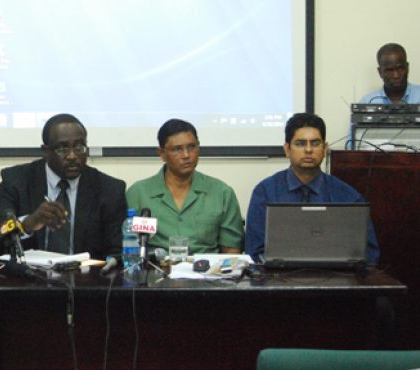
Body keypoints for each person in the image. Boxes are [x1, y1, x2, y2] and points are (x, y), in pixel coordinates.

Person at [0, 113, 127, 260]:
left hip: (86, 279)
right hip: (29, 279)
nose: (72, 156)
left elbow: (118, 249)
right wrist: (26, 224)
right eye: (62, 149)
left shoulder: (109, 189)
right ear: (45, 151)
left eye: (79, 147)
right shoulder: (17, 180)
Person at [245, 113, 380, 263]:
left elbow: (368, 253)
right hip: (278, 281)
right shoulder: (265, 193)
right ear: (287, 149)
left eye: (315, 143)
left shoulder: (348, 196)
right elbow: (255, 252)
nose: (308, 150)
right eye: (300, 143)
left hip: (336, 280)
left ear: (325, 148)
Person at [126, 119, 244, 254]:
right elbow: (128, 244)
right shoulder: (138, 193)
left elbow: (231, 250)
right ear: (161, 153)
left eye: (192, 147)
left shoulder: (222, 193)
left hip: (206, 271)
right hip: (156, 270)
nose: (186, 155)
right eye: (177, 149)